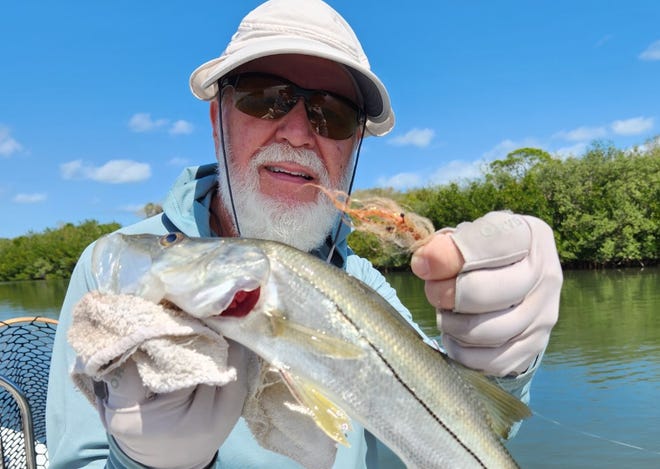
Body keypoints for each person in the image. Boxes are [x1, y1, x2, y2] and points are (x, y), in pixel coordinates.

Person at [46, 0, 562, 468]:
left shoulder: (363, 282)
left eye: (331, 115)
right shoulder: (111, 262)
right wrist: (144, 462)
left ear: (355, 144)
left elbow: (456, 429)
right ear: (216, 116)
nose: (297, 133)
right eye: (264, 99)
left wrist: (501, 365)